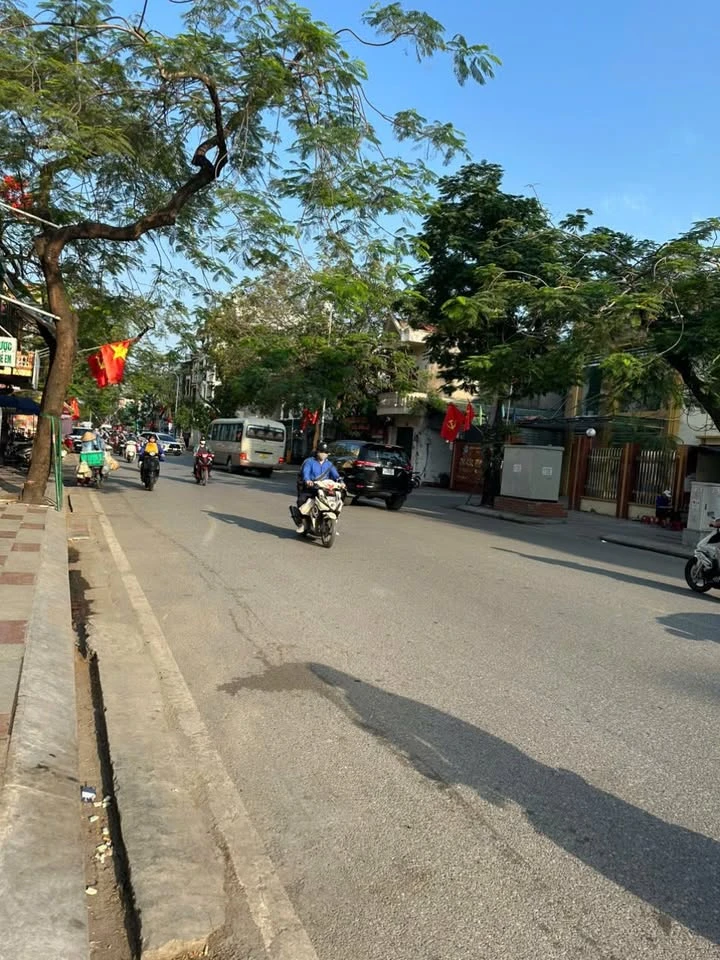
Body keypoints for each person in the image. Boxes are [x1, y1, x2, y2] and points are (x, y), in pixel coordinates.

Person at [290, 442, 342, 532]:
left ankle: (331, 525)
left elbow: (336, 476)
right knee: (301, 500)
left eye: (326, 452)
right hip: (311, 489)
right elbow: (306, 473)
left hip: (324, 490)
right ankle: (302, 523)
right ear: (317, 452)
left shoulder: (329, 464)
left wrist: (341, 482)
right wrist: (308, 481)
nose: (324, 454)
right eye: (322, 451)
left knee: (337, 502)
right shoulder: (309, 462)